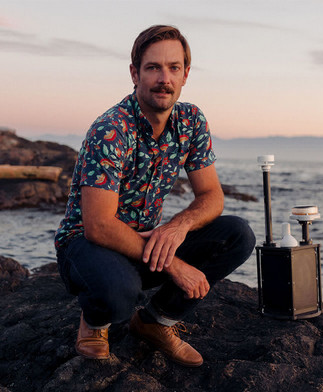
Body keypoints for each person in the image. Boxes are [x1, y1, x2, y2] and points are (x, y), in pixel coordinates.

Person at [54, 25, 255, 367]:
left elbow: (211, 195)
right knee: (119, 296)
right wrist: (175, 265)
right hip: (88, 246)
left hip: (145, 244)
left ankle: (154, 322)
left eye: (174, 68)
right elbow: (99, 226)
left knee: (237, 235)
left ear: (185, 74)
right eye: (153, 68)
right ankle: (94, 319)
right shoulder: (111, 130)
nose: (165, 78)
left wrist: (178, 227)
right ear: (135, 73)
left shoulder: (191, 120)